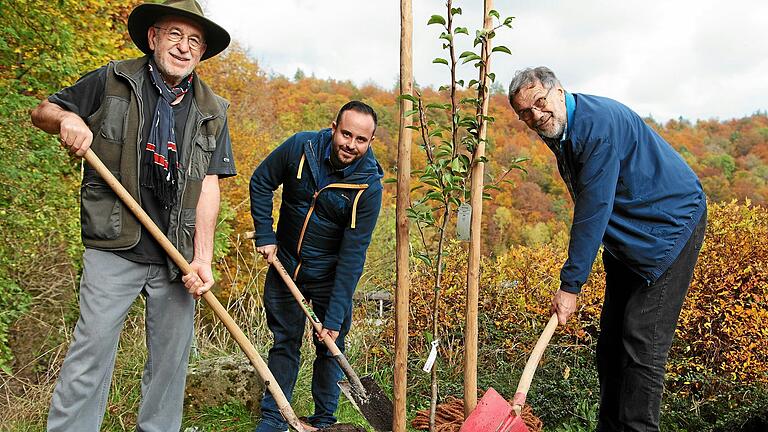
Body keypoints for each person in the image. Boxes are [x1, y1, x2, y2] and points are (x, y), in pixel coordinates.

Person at [30, 1, 235, 430]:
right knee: (91, 352)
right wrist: (68, 118)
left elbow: (209, 185)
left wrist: (202, 259)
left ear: (201, 53)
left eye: (194, 40)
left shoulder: (213, 110)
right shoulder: (112, 79)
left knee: (170, 368)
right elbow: (42, 111)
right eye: (175, 35)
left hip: (176, 257)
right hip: (114, 246)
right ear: (154, 37)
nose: (184, 47)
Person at [507, 67, 706, 432]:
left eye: (540, 103)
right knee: (611, 346)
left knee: (640, 345)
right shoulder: (563, 130)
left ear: (558, 90)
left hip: (668, 229)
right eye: (525, 113)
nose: (536, 115)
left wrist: (570, 286)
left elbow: (593, 208)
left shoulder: (597, 127)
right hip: (628, 239)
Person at [249, 101, 383, 432]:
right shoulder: (301, 148)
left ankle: (325, 421)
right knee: (285, 341)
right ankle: (274, 418)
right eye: (346, 134)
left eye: (361, 140)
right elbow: (262, 180)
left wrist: (335, 317)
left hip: (329, 276)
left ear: (370, 142)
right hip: (286, 264)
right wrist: (265, 233)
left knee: (330, 346)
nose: (351, 145)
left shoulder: (368, 187)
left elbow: (354, 254)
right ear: (333, 127)